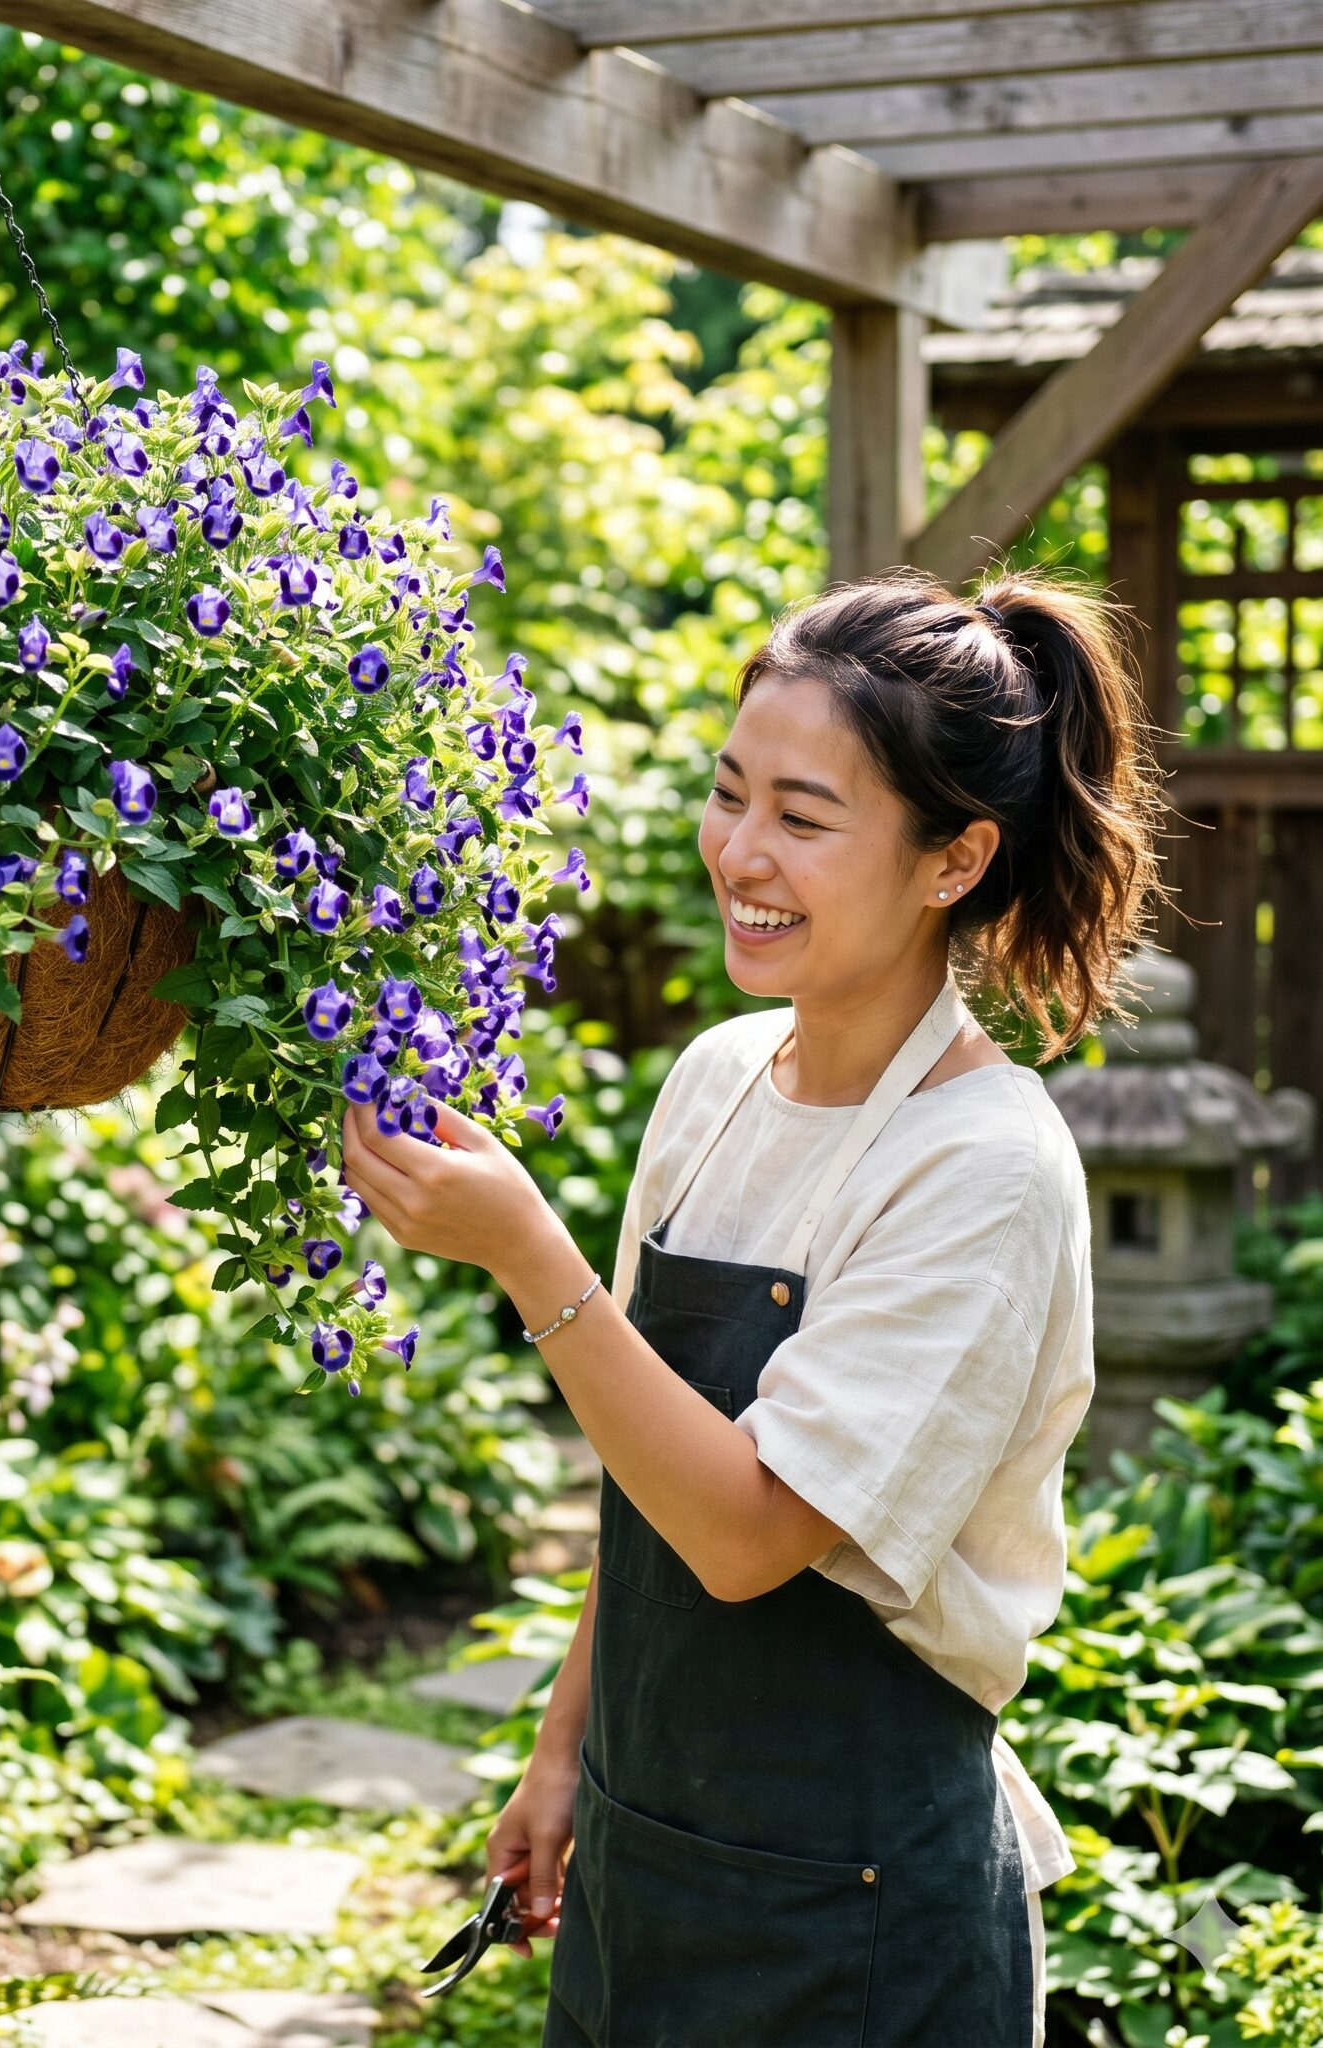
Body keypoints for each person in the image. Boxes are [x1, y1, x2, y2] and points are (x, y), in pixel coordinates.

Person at [341, 569, 1168, 2047]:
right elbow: (646, 1472)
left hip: (856, 1918)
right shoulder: (718, 1080)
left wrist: (536, 1259)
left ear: (952, 860)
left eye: (804, 817)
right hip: (646, 1855)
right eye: (731, 796)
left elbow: (743, 1534)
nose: (740, 853)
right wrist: (560, 1752)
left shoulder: (984, 1168)